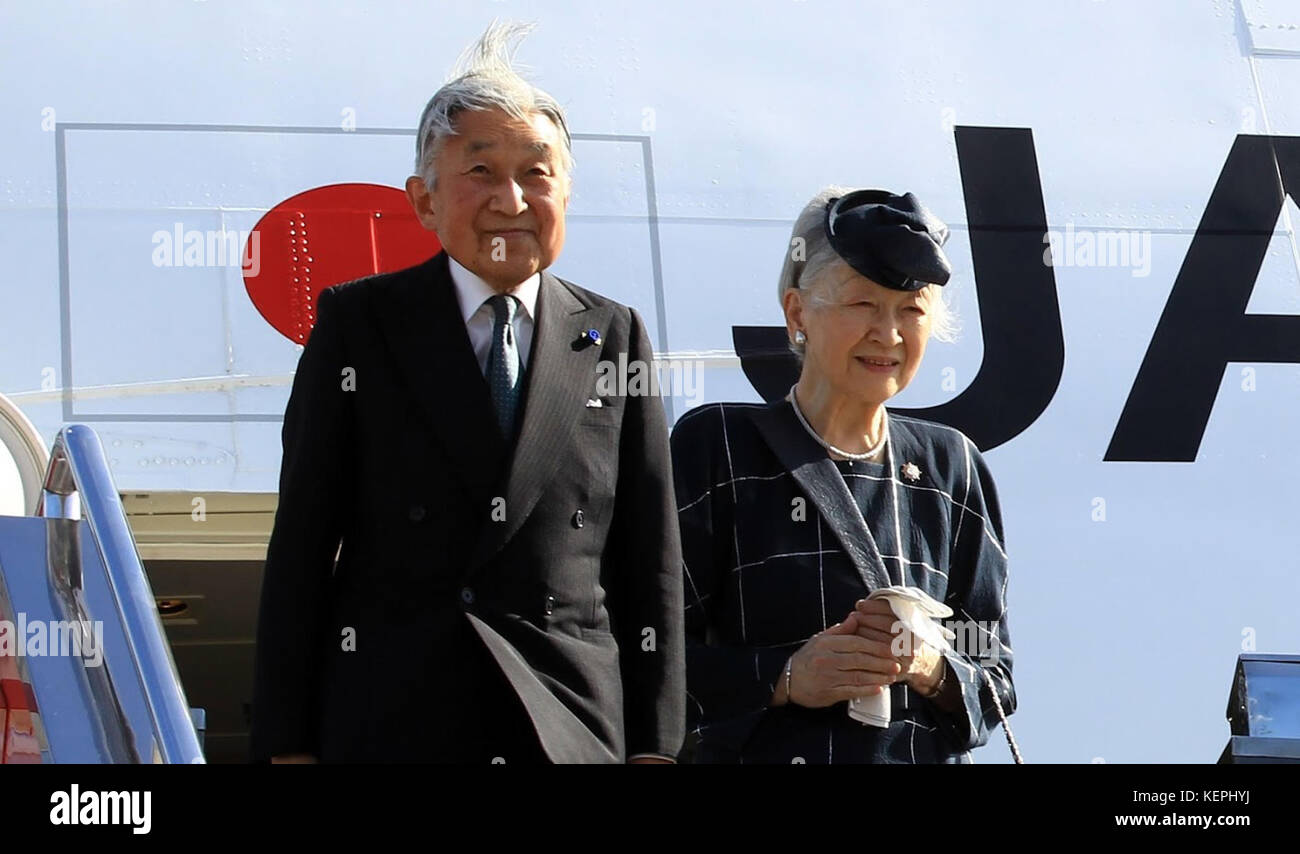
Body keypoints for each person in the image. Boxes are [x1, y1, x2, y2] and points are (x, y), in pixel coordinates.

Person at [250, 21, 685, 764]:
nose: (511, 198)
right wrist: (287, 743)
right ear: (423, 200)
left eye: (537, 173)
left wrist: (656, 746)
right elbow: (302, 545)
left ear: (567, 192)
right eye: (480, 171)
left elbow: (650, 558)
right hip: (397, 720)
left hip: (569, 722)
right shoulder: (360, 325)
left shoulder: (614, 333)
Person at [671, 186, 1016, 763]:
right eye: (862, 305)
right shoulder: (719, 446)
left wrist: (930, 666)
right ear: (797, 312)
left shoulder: (951, 465)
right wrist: (784, 676)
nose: (889, 334)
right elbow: (641, 652)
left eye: (911, 310)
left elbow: (996, 679)